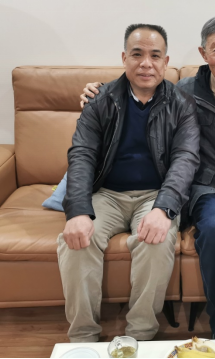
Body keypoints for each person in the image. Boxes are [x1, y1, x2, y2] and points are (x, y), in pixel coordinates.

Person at [82, 14, 215, 340]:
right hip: (209, 189)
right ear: (202, 53)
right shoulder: (183, 92)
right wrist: (97, 90)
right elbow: (140, 83)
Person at [59, 23, 200, 343]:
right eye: (137, 54)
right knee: (76, 240)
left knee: (156, 241)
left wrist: (164, 209)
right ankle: (83, 338)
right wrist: (77, 211)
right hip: (106, 194)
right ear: (124, 58)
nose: (146, 63)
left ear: (166, 62)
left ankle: (140, 336)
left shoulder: (182, 103)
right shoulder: (100, 99)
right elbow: (81, 155)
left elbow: (186, 159)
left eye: (155, 56)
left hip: (155, 194)